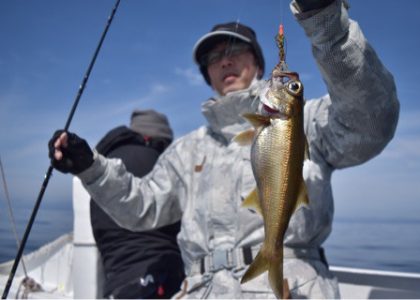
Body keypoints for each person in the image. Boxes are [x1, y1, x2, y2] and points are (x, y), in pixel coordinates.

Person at [48, 0, 400, 298]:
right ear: (207, 74)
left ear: (259, 64)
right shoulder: (187, 150)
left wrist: (326, 22)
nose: (224, 61)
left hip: (292, 286)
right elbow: (142, 207)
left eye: (235, 51)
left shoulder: (305, 120)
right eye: (214, 58)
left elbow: (370, 120)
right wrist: (92, 168)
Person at [89, 110, 185, 298]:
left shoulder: (104, 169)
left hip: (116, 278)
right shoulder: (161, 165)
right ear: (160, 140)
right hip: (161, 276)